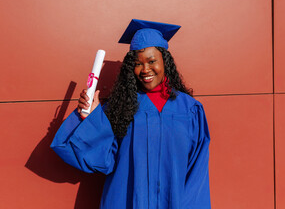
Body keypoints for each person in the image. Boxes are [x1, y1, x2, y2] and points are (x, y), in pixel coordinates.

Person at [51, 19, 211, 209]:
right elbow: (102, 160)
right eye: (137, 64)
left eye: (152, 61)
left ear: (165, 62)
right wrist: (90, 118)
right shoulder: (120, 106)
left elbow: (197, 169)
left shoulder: (190, 110)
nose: (145, 70)